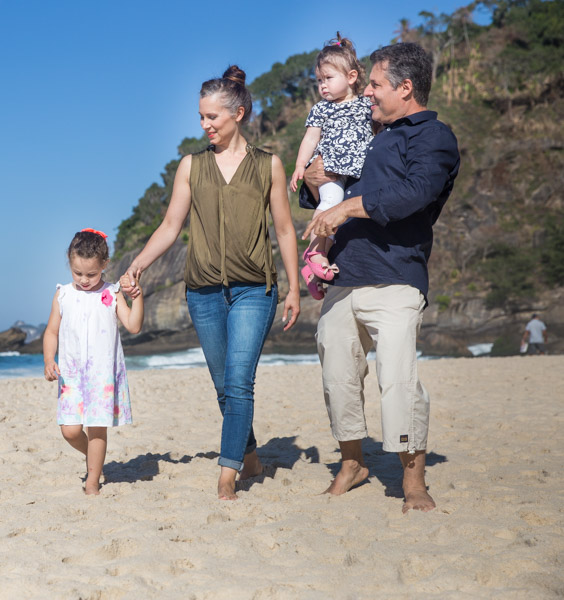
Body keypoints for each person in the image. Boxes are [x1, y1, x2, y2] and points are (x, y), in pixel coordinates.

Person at [121, 66, 301, 500]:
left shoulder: (268, 165)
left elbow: (283, 229)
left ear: (238, 114)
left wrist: (294, 287)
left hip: (254, 290)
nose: (205, 126)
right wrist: (138, 264)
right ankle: (250, 452)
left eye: (212, 118)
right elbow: (170, 225)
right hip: (202, 292)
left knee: (240, 382)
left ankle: (227, 472)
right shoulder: (191, 166)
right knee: (225, 386)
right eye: (200, 117)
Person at [302, 42, 460, 513]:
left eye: (374, 84)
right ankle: (352, 463)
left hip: (396, 273)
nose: (366, 92)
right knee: (338, 375)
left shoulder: (432, 137)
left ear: (406, 88)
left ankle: (413, 480)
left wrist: (350, 205)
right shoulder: (364, 127)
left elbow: (415, 192)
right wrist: (316, 182)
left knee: (398, 378)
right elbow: (332, 187)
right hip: (345, 274)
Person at [43, 228, 144, 495]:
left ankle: (92, 480)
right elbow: (51, 331)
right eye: (78, 273)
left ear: (104, 265)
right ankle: (94, 460)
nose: (84, 280)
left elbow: (133, 326)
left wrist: (137, 298)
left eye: (91, 274)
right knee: (70, 430)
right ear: (69, 262)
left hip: (101, 376)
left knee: (96, 429)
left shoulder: (111, 293)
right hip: (71, 375)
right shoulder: (62, 294)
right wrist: (48, 360)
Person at [289, 33, 373, 301]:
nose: (322, 86)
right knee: (331, 203)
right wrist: (300, 166)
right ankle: (315, 252)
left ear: (350, 77)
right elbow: (311, 138)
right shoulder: (321, 109)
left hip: (355, 171)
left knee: (343, 219)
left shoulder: (365, 104)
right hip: (329, 170)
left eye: (328, 78)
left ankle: (313, 273)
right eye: (318, 80)